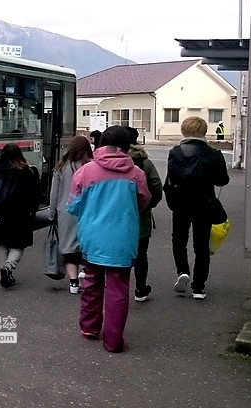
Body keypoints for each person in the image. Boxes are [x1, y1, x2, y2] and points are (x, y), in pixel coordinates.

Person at [67, 126, 151, 353]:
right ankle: (113, 341)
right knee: (118, 289)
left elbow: (73, 206)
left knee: (92, 283)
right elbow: (144, 202)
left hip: (92, 238)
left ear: (100, 144)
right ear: (126, 147)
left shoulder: (85, 172)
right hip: (123, 240)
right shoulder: (135, 173)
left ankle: (89, 327)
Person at [164, 116, 230, 300]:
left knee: (179, 240)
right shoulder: (213, 153)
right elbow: (222, 180)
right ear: (204, 131)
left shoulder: (175, 152)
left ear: (184, 131)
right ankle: (199, 288)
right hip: (204, 203)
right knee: (201, 246)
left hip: (180, 204)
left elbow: (171, 178)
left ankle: (182, 271)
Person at [0, 143, 40, 289]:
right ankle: (8, 268)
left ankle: (5, 273)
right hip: (19, 215)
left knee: (3, 244)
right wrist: (33, 210)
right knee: (18, 245)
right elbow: (33, 195)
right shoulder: (26, 172)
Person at [49, 135, 93, 294]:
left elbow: (54, 193)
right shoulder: (91, 166)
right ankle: (87, 273)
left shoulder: (61, 167)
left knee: (68, 247)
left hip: (66, 212)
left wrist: (52, 213)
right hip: (88, 212)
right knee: (87, 245)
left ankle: (73, 283)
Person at [123, 126, 163, 303]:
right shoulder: (144, 162)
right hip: (141, 215)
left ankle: (119, 288)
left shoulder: (113, 160)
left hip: (117, 216)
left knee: (119, 254)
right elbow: (156, 186)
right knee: (141, 254)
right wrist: (149, 205)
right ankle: (140, 288)